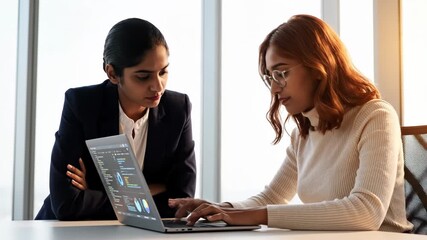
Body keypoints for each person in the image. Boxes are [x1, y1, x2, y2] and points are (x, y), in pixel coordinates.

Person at [169, 14, 413, 232]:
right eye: (270, 77)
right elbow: (272, 197)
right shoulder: (303, 134)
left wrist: (251, 216)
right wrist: (220, 209)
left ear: (319, 67)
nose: (274, 88)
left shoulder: (375, 116)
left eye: (282, 73)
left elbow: (366, 212)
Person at [35, 18, 197, 220]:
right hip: (65, 232)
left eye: (163, 72)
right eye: (143, 76)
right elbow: (68, 204)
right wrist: (154, 189)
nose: (158, 86)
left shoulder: (177, 109)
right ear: (112, 73)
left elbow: (180, 202)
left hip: (140, 234)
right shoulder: (82, 105)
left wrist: (93, 192)